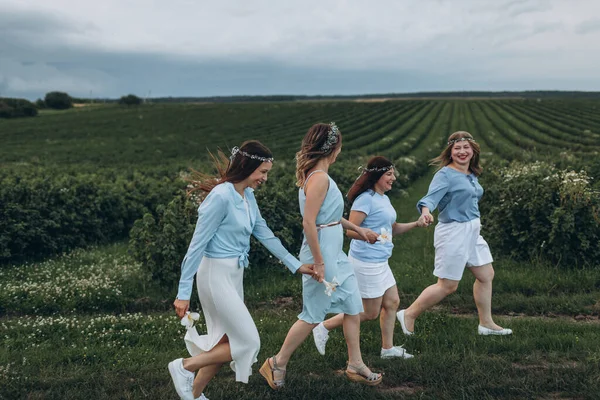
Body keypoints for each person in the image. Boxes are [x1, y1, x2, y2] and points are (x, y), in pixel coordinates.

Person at [168, 140, 316, 400]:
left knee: (223, 343)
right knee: (247, 342)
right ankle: (183, 367)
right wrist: (183, 292)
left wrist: (296, 265)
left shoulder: (246, 195)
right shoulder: (221, 196)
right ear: (248, 167)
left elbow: (263, 232)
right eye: (263, 172)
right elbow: (196, 247)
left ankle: (193, 395)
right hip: (214, 275)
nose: (265, 178)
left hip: (233, 275)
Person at [260, 122, 383, 389]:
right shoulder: (319, 178)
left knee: (353, 306)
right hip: (321, 251)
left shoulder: (318, 176)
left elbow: (330, 217)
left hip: (335, 249)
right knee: (313, 314)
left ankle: (355, 363)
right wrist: (318, 262)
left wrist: (358, 230)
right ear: (334, 148)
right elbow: (309, 223)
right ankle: (276, 362)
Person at [397, 131, 512, 337]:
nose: (462, 151)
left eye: (466, 147)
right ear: (450, 152)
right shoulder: (444, 175)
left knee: (486, 275)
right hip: (453, 231)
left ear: (473, 150)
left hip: (473, 230)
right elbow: (429, 199)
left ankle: (486, 324)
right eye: (457, 148)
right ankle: (408, 314)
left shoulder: (472, 173)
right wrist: (425, 213)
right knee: (448, 285)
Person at [312, 156, 426, 359]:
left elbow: (392, 228)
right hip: (366, 262)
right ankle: (323, 326)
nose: (393, 178)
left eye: (393, 174)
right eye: (389, 174)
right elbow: (351, 231)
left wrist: (416, 224)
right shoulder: (365, 199)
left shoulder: (384, 198)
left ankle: (387, 349)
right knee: (370, 312)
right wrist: (367, 236)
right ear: (377, 176)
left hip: (381, 261)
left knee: (392, 302)